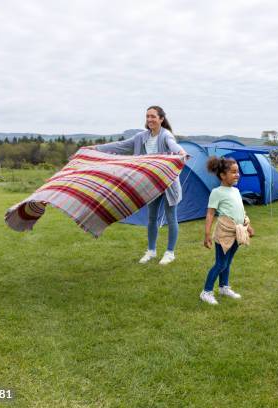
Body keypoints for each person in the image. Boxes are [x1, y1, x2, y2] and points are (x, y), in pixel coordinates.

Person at [95, 106, 187, 265]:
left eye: (153, 116)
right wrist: (96, 149)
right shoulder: (140, 137)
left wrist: (181, 153)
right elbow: (120, 146)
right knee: (151, 218)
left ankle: (170, 252)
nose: (150, 119)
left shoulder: (166, 135)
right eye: (147, 116)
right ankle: (151, 251)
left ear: (161, 119)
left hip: (168, 183)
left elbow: (173, 145)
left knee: (171, 218)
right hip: (151, 184)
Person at [200, 157, 254, 305]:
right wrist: (207, 234)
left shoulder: (236, 191)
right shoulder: (216, 192)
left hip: (237, 232)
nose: (237, 175)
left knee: (227, 262)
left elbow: (241, 211)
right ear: (223, 175)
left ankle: (224, 287)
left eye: (238, 172)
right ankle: (206, 292)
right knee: (220, 264)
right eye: (233, 172)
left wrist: (248, 226)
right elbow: (210, 213)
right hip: (224, 234)